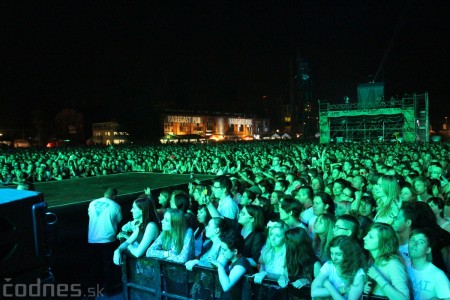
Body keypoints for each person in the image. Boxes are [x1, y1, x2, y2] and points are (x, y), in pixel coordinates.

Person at [87, 187, 122, 295]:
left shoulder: (92, 203)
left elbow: (90, 216)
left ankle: (93, 289)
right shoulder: (116, 206)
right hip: (108, 239)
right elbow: (119, 220)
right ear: (114, 196)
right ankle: (107, 290)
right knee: (108, 266)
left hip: (92, 239)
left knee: (94, 265)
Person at [363, 223, 411, 299]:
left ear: (383, 242)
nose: (364, 238)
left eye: (371, 237)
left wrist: (378, 277)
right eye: (367, 235)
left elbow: (404, 298)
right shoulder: (371, 261)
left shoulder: (393, 264)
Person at [208, 229, 253, 300]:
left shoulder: (241, 264)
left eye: (224, 250)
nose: (222, 252)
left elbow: (226, 286)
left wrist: (219, 266)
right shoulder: (230, 260)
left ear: (235, 251)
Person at [113, 197, 159, 265]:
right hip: (145, 266)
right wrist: (117, 251)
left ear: (142, 211)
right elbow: (128, 241)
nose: (131, 210)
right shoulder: (141, 225)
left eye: (134, 208)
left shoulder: (151, 226)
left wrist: (128, 245)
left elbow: (138, 253)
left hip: (152, 268)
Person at [407, 228, 450, 300]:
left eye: (421, 242)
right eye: (412, 240)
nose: (415, 244)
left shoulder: (437, 275)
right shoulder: (403, 268)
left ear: (428, 250)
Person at [253, 220, 290, 285]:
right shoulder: (266, 250)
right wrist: (261, 273)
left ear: (285, 238)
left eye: (278, 236)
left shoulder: (289, 253)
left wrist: (265, 273)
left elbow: (287, 277)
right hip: (266, 287)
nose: (273, 238)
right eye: (271, 234)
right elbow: (260, 264)